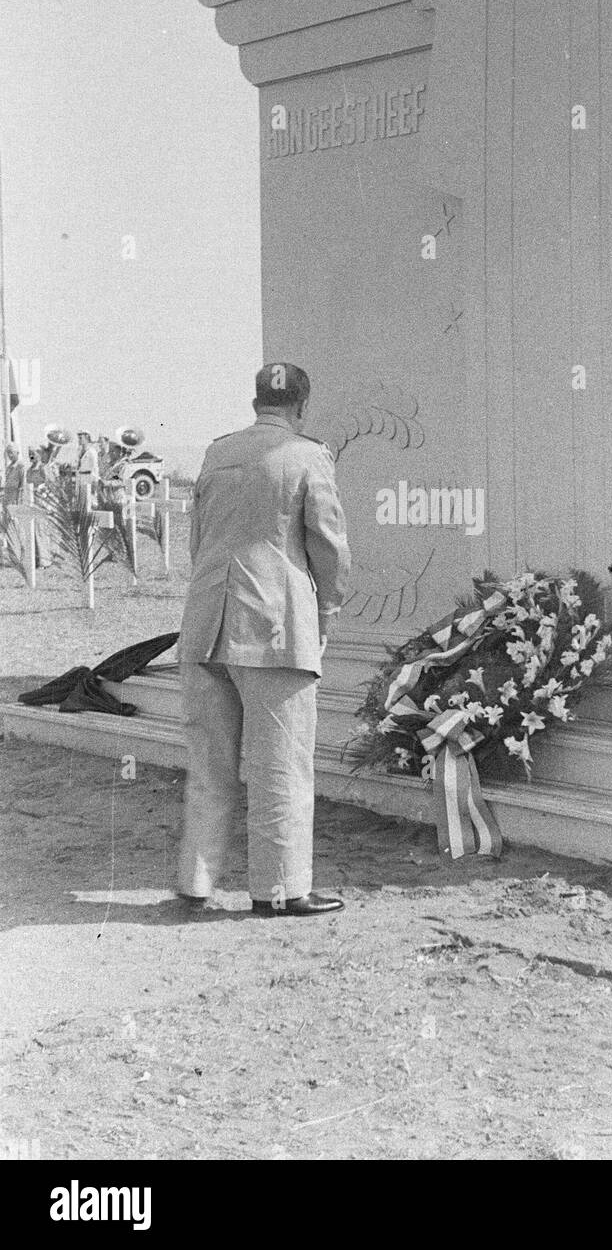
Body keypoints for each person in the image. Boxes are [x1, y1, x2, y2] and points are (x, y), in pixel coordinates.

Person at [177, 362, 351, 918]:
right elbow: (329, 550)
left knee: (210, 762)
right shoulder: (308, 454)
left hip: (205, 626)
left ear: (256, 401)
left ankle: (196, 881)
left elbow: (198, 541)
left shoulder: (216, 453)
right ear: (302, 406)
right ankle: (278, 891)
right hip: (275, 629)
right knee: (281, 765)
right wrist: (325, 615)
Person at [75, 431, 100, 497]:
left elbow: (95, 468)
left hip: (88, 479)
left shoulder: (92, 452)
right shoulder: (79, 451)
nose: (79, 440)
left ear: (86, 438)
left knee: (88, 502)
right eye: (78, 438)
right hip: (80, 479)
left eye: (80, 438)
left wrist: (95, 483)